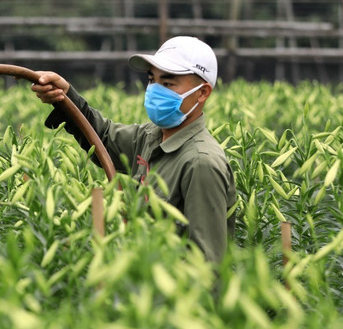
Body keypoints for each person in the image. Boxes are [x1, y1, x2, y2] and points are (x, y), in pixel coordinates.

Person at [32, 36, 236, 263]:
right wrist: (66, 97)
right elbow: (104, 137)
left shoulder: (200, 163)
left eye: (168, 84)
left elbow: (207, 263)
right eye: (152, 80)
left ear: (203, 92)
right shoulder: (151, 137)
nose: (155, 90)